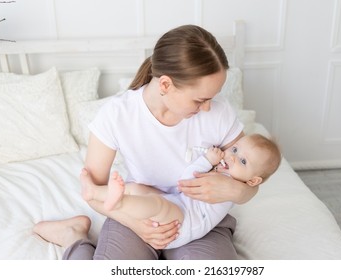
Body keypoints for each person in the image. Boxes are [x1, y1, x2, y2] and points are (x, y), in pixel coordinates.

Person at [33, 24, 262, 260]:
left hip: (200, 219)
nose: (208, 107)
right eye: (200, 100)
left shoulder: (219, 112)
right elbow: (93, 191)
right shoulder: (117, 114)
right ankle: (73, 236)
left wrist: (236, 190)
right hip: (139, 210)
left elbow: (251, 181)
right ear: (165, 84)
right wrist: (134, 224)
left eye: (212, 98)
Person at [81, 134, 281, 249]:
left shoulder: (228, 185)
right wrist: (209, 163)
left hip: (185, 224)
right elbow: (184, 182)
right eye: (235, 150)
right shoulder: (222, 171)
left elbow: (185, 182)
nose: (233, 158)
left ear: (253, 180)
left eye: (243, 161)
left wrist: (206, 162)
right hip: (179, 203)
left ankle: (120, 202)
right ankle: (96, 192)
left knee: (156, 205)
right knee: (138, 189)